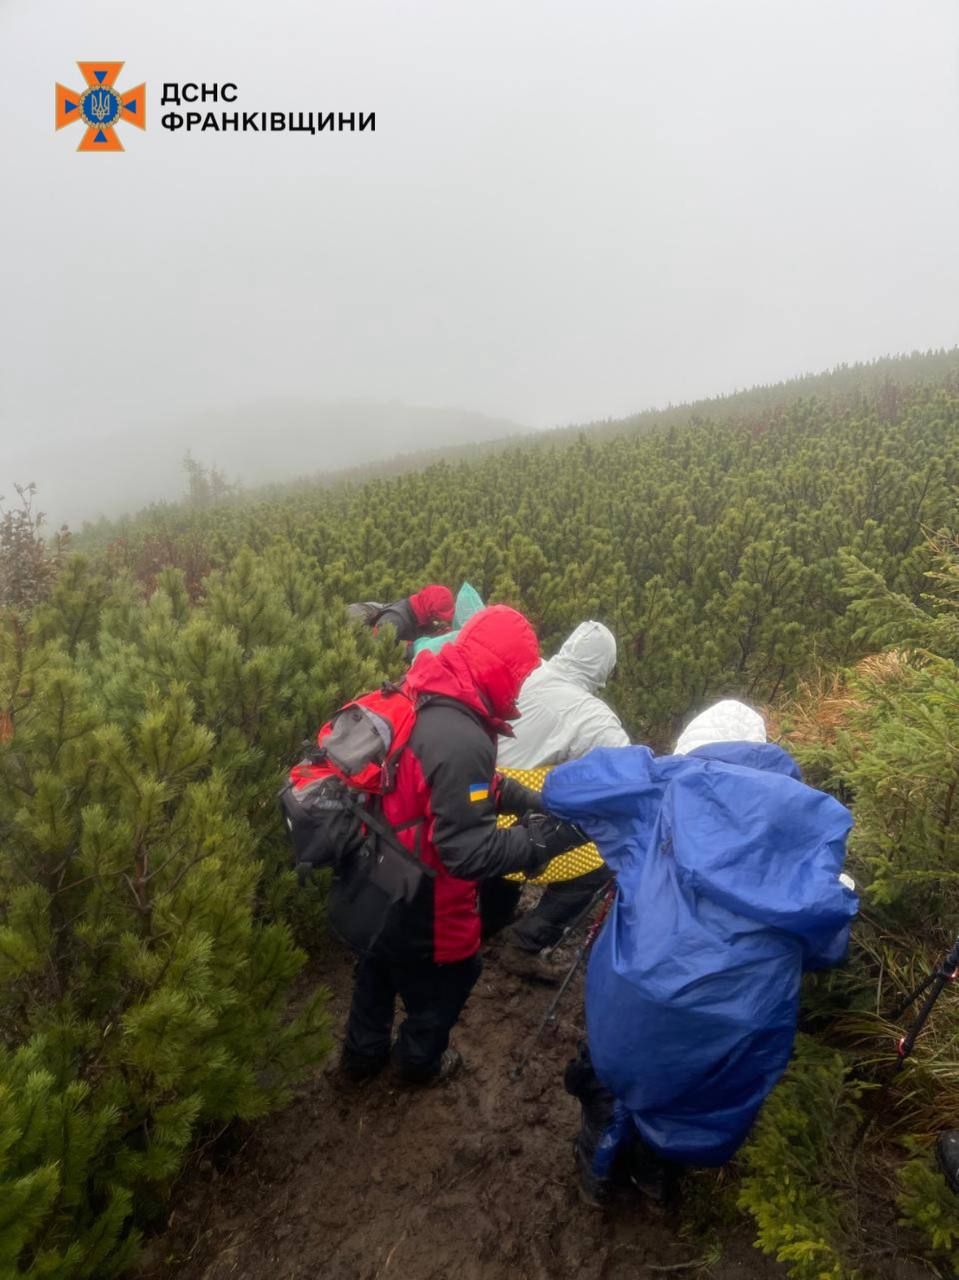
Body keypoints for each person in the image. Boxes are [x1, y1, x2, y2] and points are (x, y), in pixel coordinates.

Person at [545, 699, 857, 1205]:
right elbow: (828, 948)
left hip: (631, 1005)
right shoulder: (804, 823)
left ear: (694, 745)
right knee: (691, 1085)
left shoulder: (661, 791)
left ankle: (597, 1170)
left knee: (618, 1062)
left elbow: (564, 788)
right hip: (732, 1032)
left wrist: (655, 767)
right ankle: (656, 1176)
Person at [339, 605, 586, 1087]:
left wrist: (519, 796)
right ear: (504, 670)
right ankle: (417, 1067)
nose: (520, 690)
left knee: (376, 966)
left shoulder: (424, 690)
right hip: (425, 898)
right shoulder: (462, 733)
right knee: (451, 981)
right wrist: (540, 840)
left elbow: (440, 779)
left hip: (379, 871)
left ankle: (361, 1058)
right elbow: (467, 853)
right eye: (520, 677)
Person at [488, 621, 630, 982]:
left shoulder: (523, 675)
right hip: (521, 830)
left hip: (475, 812)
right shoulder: (594, 718)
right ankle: (525, 943)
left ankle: (489, 917)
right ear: (605, 669)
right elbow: (628, 776)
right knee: (600, 861)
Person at [346, 584, 455, 649]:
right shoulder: (396, 620)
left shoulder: (418, 610)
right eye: (437, 616)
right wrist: (411, 648)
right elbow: (376, 648)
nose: (438, 620)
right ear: (429, 610)